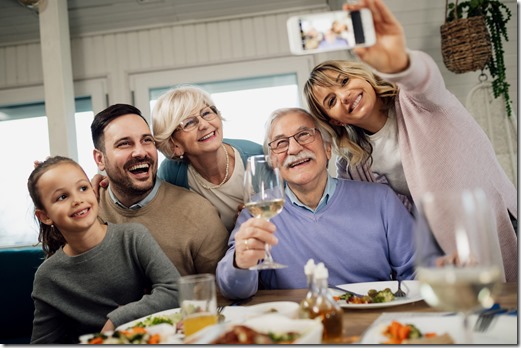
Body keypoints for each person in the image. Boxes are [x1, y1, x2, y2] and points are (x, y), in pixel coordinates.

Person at [303, 0, 517, 281]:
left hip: (497, 225)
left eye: (344, 81)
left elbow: (423, 79)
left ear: (361, 76)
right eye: (331, 100)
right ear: (335, 120)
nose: (344, 96)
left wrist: (399, 62)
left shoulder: (418, 102)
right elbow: (365, 212)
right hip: (447, 255)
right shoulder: (354, 165)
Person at [216, 108, 428, 300]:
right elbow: (234, 289)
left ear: (327, 149)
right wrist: (240, 263)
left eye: (304, 135)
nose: (294, 148)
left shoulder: (381, 200)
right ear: (273, 162)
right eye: (280, 143)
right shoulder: (256, 212)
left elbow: (419, 271)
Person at [28, 156, 180, 344]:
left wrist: (116, 320)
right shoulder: (48, 277)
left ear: (93, 191)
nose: (77, 200)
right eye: (62, 197)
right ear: (44, 216)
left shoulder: (132, 237)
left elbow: (175, 290)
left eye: (83, 188)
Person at [91, 104, 228, 276]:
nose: (140, 152)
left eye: (147, 140)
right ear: (99, 159)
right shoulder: (87, 211)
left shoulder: (199, 212)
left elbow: (224, 290)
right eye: (124, 144)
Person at [152, 85, 263, 232]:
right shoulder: (171, 174)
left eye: (206, 113)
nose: (204, 125)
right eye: (189, 122)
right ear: (175, 144)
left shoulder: (256, 156)